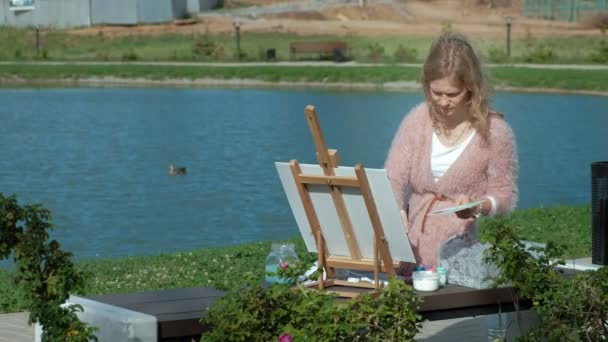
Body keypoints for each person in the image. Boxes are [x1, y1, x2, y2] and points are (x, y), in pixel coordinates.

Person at [384, 32, 518, 268]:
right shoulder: (417, 120)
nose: (443, 102)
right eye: (436, 93)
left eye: (452, 94)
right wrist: (396, 210)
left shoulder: (496, 132)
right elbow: (392, 177)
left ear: (471, 88)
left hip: (459, 253)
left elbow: (505, 197)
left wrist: (477, 206)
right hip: (409, 249)